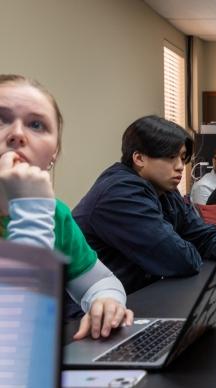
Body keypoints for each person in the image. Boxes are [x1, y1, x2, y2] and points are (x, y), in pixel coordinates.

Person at [0, 74, 132, 340]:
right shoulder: (40, 211)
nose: (17, 134)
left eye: (36, 125)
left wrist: (106, 300)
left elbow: (98, 280)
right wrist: (31, 210)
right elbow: (16, 338)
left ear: (54, 154)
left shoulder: (54, 213)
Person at [72, 115, 216, 294]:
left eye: (182, 158)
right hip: (93, 312)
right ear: (139, 158)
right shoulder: (120, 194)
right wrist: (191, 246)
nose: (180, 166)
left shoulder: (165, 190)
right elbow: (178, 259)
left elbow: (199, 232)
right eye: (171, 157)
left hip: (137, 295)